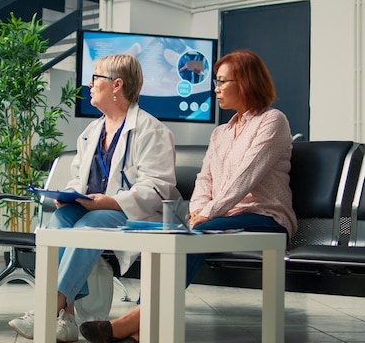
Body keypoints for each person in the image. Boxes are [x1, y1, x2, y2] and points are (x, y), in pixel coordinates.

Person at [79, 49, 297, 342]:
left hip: (265, 218)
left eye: (222, 81)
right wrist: (198, 209)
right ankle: (141, 332)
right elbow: (204, 179)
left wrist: (209, 213)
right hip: (220, 219)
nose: (216, 88)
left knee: (195, 232)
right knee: (175, 233)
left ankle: (131, 320)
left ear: (245, 83)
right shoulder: (221, 132)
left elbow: (247, 176)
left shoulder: (273, 121)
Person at [8, 54, 180, 342]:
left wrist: (109, 202)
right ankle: (68, 317)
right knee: (62, 217)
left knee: (91, 225)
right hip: (94, 210)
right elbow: (80, 178)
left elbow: (158, 189)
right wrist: (71, 195)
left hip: (132, 215)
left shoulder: (152, 130)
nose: (89, 84)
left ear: (117, 84)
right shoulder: (92, 132)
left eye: (95, 77)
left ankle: (50, 307)